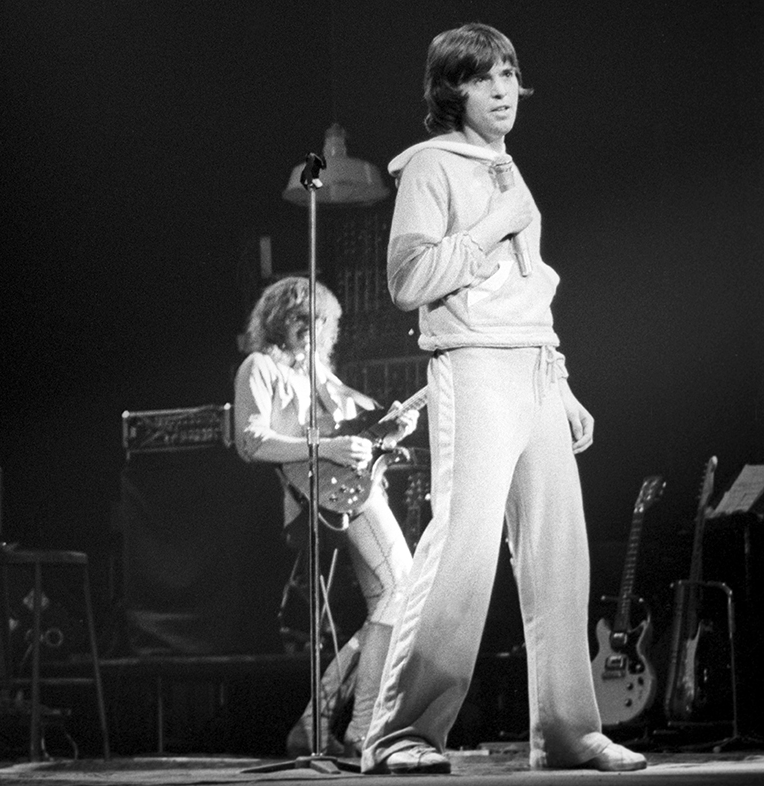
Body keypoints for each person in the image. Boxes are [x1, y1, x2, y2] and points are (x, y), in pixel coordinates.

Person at [358, 24, 646, 774]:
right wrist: (491, 224)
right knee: (461, 548)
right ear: (452, 90)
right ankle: (401, 734)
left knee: (560, 553)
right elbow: (408, 281)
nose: (503, 89)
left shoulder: (508, 169)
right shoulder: (429, 166)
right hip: (473, 365)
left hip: (533, 370)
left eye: (510, 74)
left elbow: (526, 286)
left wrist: (562, 378)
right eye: (485, 77)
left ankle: (569, 730)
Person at [234, 276, 417, 757]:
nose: (312, 329)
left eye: (321, 321)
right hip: (317, 496)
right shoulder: (259, 366)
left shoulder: (323, 376)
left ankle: (317, 723)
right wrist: (328, 445)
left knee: (393, 603)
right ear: (280, 320)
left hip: (353, 493)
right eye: (302, 318)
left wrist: (392, 431)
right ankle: (360, 730)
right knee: (402, 590)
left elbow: (359, 437)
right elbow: (251, 441)